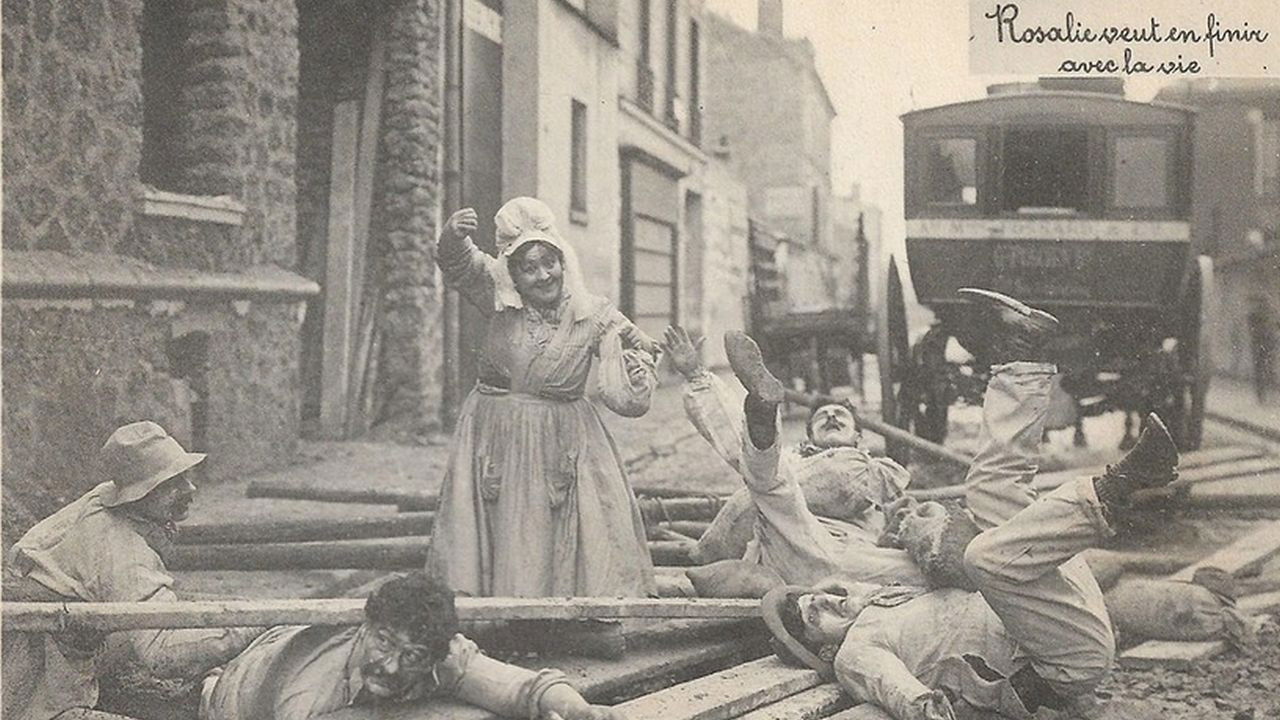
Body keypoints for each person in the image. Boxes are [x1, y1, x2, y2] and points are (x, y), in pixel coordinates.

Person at [757, 290, 1183, 719]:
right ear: (824, 646)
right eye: (818, 616)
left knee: (990, 490)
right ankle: (1119, 488)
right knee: (982, 558)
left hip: (1052, 603)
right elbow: (901, 693)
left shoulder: (886, 598)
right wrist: (927, 706)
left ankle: (1023, 357)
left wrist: (920, 534)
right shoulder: (855, 654)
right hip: (1063, 661)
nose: (830, 602)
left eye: (819, 598)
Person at [426, 198, 660, 597]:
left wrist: (642, 360)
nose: (542, 275)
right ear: (512, 275)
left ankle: (577, 614)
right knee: (507, 521)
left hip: (566, 436)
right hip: (496, 432)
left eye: (548, 262)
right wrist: (452, 235)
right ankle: (501, 613)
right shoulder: (499, 299)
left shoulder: (594, 313)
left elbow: (631, 376)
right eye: (528, 268)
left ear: (562, 261)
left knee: (580, 525)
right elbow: (461, 265)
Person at [2, 421, 266, 720]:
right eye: (172, 484)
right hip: (36, 679)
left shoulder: (103, 500)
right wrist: (256, 621)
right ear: (140, 494)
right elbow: (162, 652)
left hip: (40, 638)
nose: (189, 489)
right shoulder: (120, 549)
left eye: (185, 477)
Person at [662, 324, 922, 587]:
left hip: (852, 555)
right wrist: (695, 374)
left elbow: (904, 515)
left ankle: (760, 420)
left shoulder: (879, 470)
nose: (831, 416)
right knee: (769, 479)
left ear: (858, 437)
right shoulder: (790, 462)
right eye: (822, 417)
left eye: (840, 416)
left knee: (765, 479)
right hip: (787, 549)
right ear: (809, 437)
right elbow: (739, 449)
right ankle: (761, 415)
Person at [199, 571, 621, 720]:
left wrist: (577, 710)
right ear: (367, 627)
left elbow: (522, 688)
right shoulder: (306, 696)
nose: (390, 664)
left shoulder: (442, 653)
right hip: (235, 693)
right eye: (383, 642)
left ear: (437, 654)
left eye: (412, 656)